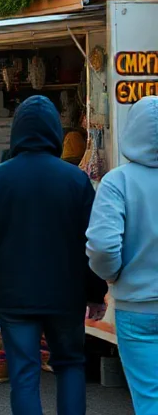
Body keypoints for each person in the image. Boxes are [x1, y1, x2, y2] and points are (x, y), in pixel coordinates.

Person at [0, 95, 107, 415]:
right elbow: (92, 241)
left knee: (24, 374)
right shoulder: (76, 180)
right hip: (66, 295)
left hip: (13, 295)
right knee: (70, 365)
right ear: (54, 132)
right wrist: (95, 292)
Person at [87, 96, 158, 413]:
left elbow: (102, 247)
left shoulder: (117, 182)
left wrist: (113, 275)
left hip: (137, 305)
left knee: (150, 397)